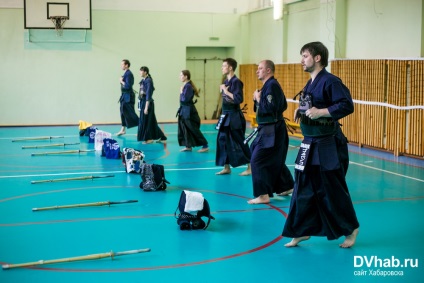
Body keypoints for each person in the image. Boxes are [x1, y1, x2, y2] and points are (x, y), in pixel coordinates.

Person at [282, 42, 359, 248]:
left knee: (332, 189)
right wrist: (302, 109)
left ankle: (350, 228)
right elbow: (312, 104)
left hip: (327, 145)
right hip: (309, 144)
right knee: (302, 187)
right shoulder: (311, 83)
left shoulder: (330, 81)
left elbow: (346, 105)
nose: (301, 60)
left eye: (305, 56)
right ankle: (301, 229)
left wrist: (321, 112)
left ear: (317, 58)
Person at [247, 60, 294, 204]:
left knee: (257, 160)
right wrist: (258, 100)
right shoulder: (269, 86)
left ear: (268, 70)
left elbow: (272, 107)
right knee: (273, 158)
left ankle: (263, 195)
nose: (257, 71)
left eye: (260, 68)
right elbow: (280, 105)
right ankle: (286, 186)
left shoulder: (272, 85)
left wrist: (259, 98)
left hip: (272, 129)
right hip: (268, 128)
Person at [215, 58, 251, 176]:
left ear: (230, 68)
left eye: (224, 66)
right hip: (225, 115)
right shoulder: (226, 81)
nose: (222, 68)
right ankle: (226, 167)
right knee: (222, 140)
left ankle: (250, 166)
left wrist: (225, 90)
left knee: (239, 140)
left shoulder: (236, 82)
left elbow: (238, 99)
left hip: (234, 115)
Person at [177, 70, 209, 152]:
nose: (180, 77)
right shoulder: (186, 85)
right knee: (184, 128)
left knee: (192, 128)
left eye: (181, 75)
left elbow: (185, 99)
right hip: (184, 110)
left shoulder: (188, 86)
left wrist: (181, 92)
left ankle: (205, 145)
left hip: (189, 111)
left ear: (186, 76)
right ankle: (188, 146)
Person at [137, 66, 167, 144]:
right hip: (143, 102)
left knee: (147, 121)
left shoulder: (149, 81)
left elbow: (148, 95)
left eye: (141, 71)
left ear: (145, 72)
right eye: (140, 71)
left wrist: (146, 107)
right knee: (152, 121)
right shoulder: (143, 81)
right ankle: (161, 136)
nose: (140, 72)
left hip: (148, 103)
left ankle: (149, 138)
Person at [116, 59, 139, 136]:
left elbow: (128, 86)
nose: (121, 66)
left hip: (128, 97)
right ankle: (123, 129)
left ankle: (141, 128)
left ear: (126, 65)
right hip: (124, 96)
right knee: (122, 112)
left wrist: (121, 81)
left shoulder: (129, 74)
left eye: (122, 64)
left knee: (131, 114)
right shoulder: (126, 73)